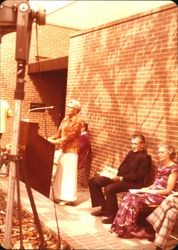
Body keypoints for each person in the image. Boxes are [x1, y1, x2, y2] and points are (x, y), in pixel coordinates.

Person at [110, 143, 178, 239]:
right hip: (152, 192)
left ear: (169, 154)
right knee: (129, 195)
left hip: (163, 196)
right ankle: (120, 227)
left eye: (162, 152)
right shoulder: (161, 166)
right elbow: (156, 184)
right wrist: (144, 189)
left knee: (135, 199)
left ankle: (131, 229)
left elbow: (168, 190)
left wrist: (153, 192)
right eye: (158, 152)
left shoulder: (174, 168)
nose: (159, 154)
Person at [89, 134, 152, 224]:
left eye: (135, 144)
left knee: (109, 188)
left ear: (143, 144)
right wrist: (112, 173)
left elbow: (139, 176)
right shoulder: (131, 153)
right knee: (94, 181)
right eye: (132, 144)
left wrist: (121, 178)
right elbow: (123, 168)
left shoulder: (146, 158)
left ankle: (113, 215)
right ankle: (104, 208)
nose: (133, 146)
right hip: (120, 178)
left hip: (133, 183)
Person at [48, 99, 82, 205]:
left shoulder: (78, 122)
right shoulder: (65, 119)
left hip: (71, 151)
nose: (67, 108)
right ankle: (59, 195)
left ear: (76, 110)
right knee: (60, 173)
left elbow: (70, 137)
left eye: (70, 107)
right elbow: (59, 133)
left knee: (68, 175)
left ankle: (67, 198)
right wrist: (48, 138)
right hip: (63, 150)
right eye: (67, 106)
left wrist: (55, 142)